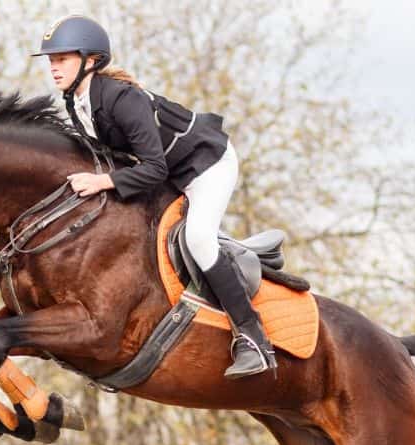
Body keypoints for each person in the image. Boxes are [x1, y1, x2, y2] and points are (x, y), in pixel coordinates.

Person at [32, 15, 276, 378]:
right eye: (52, 60)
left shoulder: (122, 99)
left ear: (91, 61)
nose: (53, 68)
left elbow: (154, 169)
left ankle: (253, 337)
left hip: (205, 165)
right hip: (167, 169)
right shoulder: (76, 101)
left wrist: (103, 183)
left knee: (198, 238)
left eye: (62, 59)